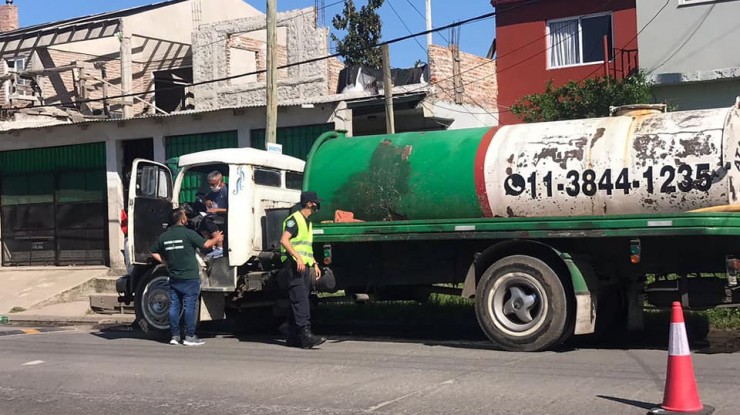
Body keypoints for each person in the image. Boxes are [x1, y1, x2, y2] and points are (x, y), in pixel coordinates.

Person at [151, 208, 223, 346]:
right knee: (190, 306)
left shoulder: (164, 236)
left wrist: (165, 262)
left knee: (174, 306)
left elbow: (153, 251)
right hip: (190, 276)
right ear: (182, 219)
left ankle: (175, 336)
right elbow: (206, 244)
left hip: (174, 276)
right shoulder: (188, 234)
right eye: (184, 216)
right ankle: (189, 336)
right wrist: (217, 239)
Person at [279, 191, 327, 349]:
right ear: (309, 203)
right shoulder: (295, 220)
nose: (317, 205)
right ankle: (306, 335)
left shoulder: (308, 222)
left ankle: (292, 336)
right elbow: (284, 240)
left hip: (304, 265)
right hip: (294, 266)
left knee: (300, 299)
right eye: (315, 202)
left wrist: (314, 263)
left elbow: (306, 247)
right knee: (301, 300)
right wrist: (298, 258)